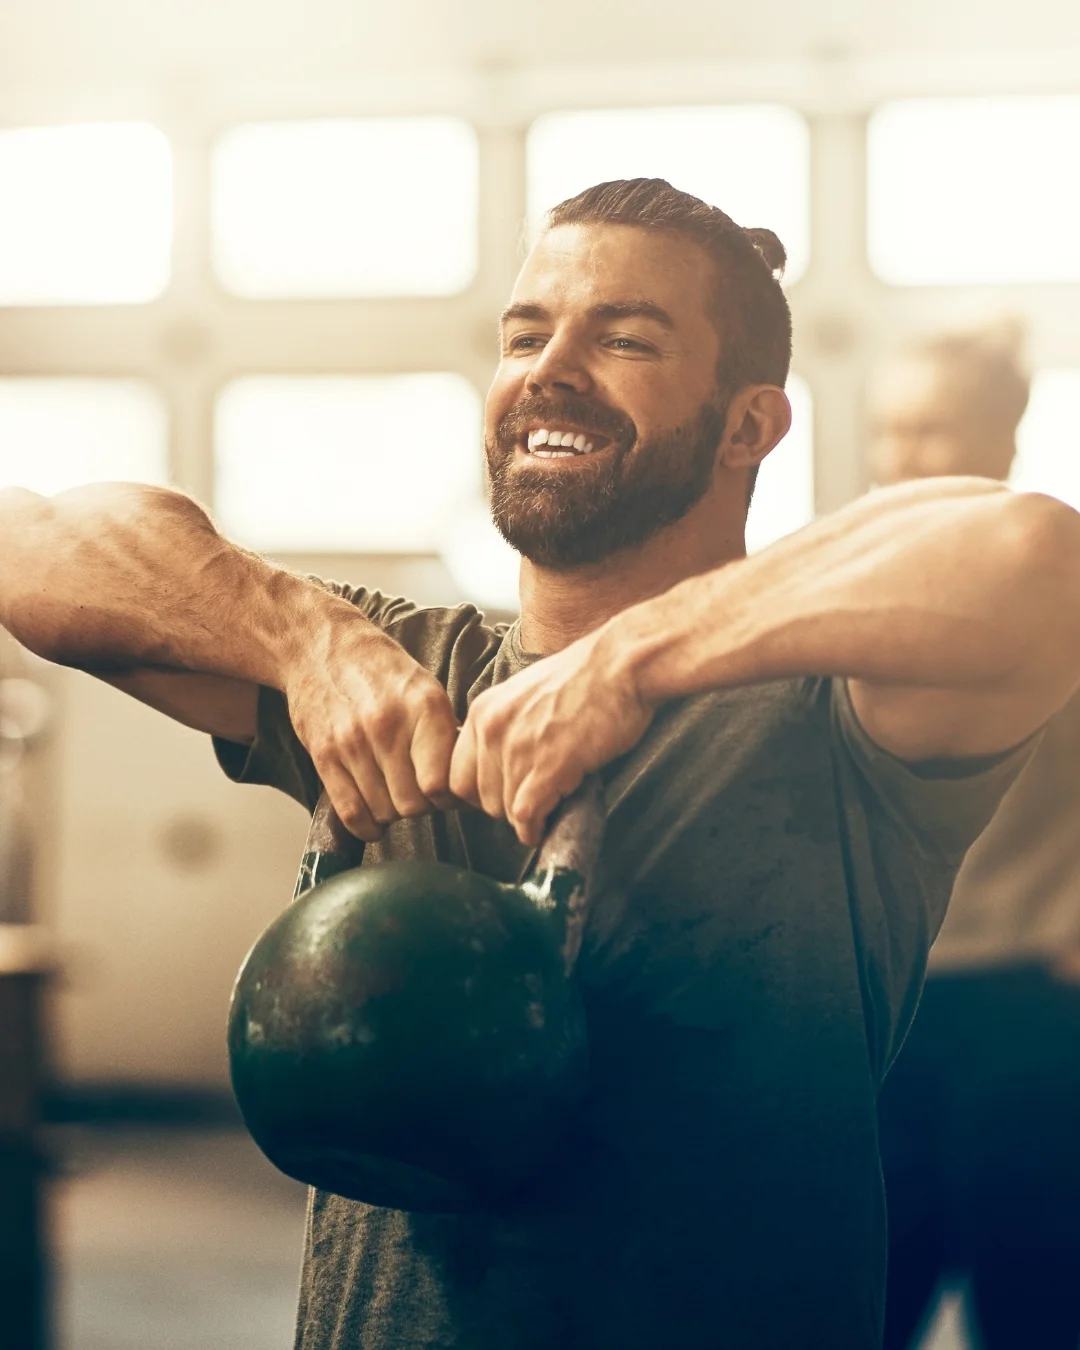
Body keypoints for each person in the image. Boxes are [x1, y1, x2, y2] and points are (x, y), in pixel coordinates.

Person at [2, 180, 1079, 1350]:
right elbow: (36, 547)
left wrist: (630, 663)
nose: (550, 370)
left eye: (623, 338)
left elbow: (1038, 561)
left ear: (748, 427)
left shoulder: (837, 717)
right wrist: (300, 636)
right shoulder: (393, 668)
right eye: (526, 334)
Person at [871, 322, 1080, 1350]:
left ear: (1003, 438)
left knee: (1034, 1308)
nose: (903, 456)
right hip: (885, 1014)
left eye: (932, 429)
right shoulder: (844, 591)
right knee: (861, 1302)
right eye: (890, 431)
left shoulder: (1063, 580)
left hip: (1030, 1004)